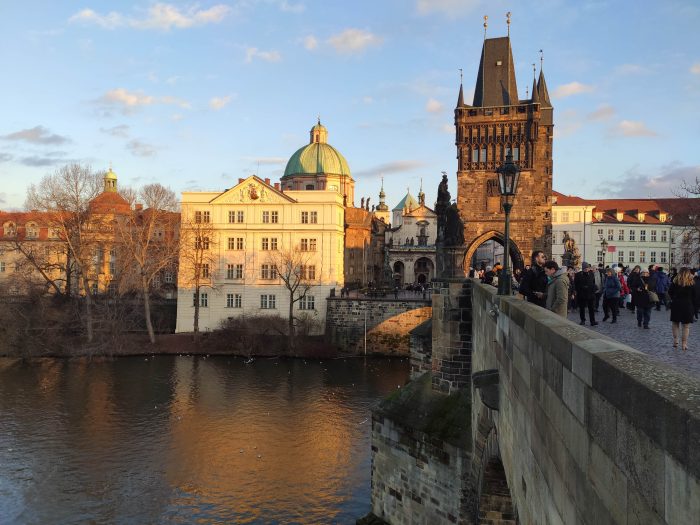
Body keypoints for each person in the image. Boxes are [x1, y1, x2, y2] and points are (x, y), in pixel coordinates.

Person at [669, 267, 697, 351]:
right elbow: (695, 296)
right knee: (686, 326)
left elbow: (670, 292)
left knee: (675, 323)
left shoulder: (675, 281)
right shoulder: (692, 282)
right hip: (687, 305)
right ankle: (684, 344)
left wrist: (674, 298)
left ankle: (675, 340)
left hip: (676, 304)